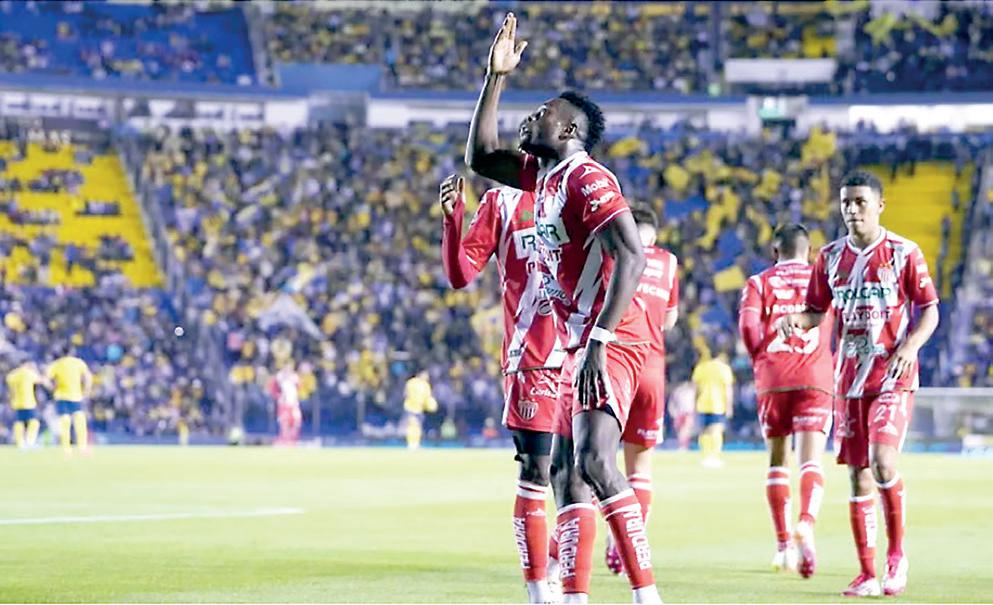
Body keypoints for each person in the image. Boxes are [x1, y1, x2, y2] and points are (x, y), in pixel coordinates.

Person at [465, 13, 661, 603]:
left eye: (543, 111)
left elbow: (632, 253)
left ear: (570, 128)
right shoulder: (544, 177)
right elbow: (481, 157)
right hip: (578, 343)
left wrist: (600, 340)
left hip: (612, 338)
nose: (531, 116)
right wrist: (494, 78)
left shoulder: (585, 177)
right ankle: (574, 596)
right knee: (567, 472)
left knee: (597, 462)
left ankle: (646, 595)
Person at [777, 170, 940, 597]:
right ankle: (867, 573)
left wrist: (911, 347)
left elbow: (930, 309)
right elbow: (816, 310)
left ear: (880, 206)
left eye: (860, 202)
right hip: (849, 380)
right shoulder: (829, 257)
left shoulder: (904, 253)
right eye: (846, 202)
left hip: (892, 375)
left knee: (882, 462)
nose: (852, 209)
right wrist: (796, 320)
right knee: (858, 477)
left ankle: (896, 556)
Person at [439, 173, 566, 604]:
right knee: (537, 472)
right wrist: (454, 219)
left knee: (585, 477)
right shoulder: (502, 202)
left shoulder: (578, 188)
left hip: (580, 354)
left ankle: (554, 565)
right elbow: (460, 274)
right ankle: (538, 590)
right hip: (532, 361)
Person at [738, 223, 834, 578]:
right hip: (815, 378)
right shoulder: (823, 281)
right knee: (811, 460)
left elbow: (748, 328)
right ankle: (806, 522)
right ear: (809, 252)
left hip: (773, 379)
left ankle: (783, 547)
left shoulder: (758, 283)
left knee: (778, 461)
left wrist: (760, 360)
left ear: (775, 252)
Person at [605, 206, 679, 575]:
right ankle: (627, 546)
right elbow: (669, 320)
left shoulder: (615, 252)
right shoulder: (669, 261)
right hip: (651, 368)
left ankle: (565, 555)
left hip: (617, 362)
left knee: (597, 460)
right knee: (641, 468)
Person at [691, 352, 734, 468]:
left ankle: (705, 456)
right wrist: (729, 406)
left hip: (702, 403)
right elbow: (728, 390)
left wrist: (694, 405)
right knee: (716, 431)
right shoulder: (724, 369)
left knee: (704, 431)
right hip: (718, 404)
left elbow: (696, 389)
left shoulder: (700, 368)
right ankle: (715, 457)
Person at [46, 351, 92, 454]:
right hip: (76, 396)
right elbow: (88, 377)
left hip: (61, 396)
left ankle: (66, 448)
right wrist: (86, 391)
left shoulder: (56, 364)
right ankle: (82, 447)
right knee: (80, 421)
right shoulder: (79, 362)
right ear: (72, 352)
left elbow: (46, 379)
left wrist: (52, 388)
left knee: (65, 421)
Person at [5, 360, 44, 449]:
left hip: (16, 402)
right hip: (28, 402)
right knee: (34, 422)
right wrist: (35, 369)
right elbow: (40, 380)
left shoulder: (12, 374)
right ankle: (30, 441)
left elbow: (8, 385)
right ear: (26, 364)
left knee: (19, 422)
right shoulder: (29, 373)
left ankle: (20, 442)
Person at [268, 363, 302, 446]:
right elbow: (273, 390)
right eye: (286, 369)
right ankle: (285, 439)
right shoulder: (278, 378)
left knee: (296, 422)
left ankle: (293, 439)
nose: (288, 371)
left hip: (294, 404)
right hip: (284, 405)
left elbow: (299, 389)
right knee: (284, 423)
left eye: (289, 369)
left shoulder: (295, 378)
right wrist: (279, 396)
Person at [403, 370, 438, 450]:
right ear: (420, 374)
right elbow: (406, 393)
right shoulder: (412, 382)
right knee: (412, 425)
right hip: (410, 407)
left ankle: (416, 443)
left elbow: (428, 398)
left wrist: (430, 406)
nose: (427, 377)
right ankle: (411, 444)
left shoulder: (426, 385)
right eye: (425, 375)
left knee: (417, 427)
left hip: (419, 409)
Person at [668, 380, 696, 452]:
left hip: (688, 413)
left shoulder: (692, 391)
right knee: (680, 430)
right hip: (679, 413)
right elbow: (672, 402)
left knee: (685, 430)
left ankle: (684, 446)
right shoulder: (678, 391)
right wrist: (673, 412)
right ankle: (682, 445)